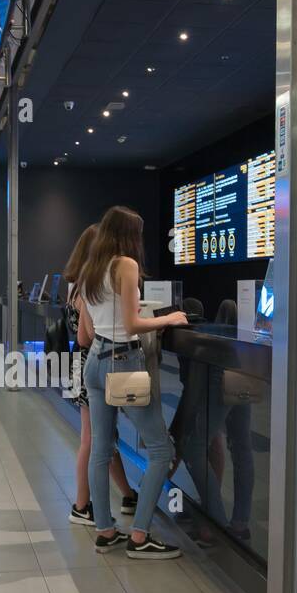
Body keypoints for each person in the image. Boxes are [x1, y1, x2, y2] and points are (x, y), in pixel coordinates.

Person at [75, 205, 188, 559]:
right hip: (122, 361)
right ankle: (140, 535)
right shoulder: (125, 265)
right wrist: (169, 318)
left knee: (101, 447)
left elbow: (89, 331)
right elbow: (133, 324)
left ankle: (105, 532)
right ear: (127, 235)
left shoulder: (89, 269)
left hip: (94, 362)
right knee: (160, 450)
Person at [62, 224, 137, 526]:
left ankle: (128, 494)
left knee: (105, 436)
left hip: (82, 366)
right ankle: (82, 505)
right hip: (93, 363)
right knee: (92, 439)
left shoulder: (78, 285)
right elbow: (85, 337)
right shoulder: (88, 288)